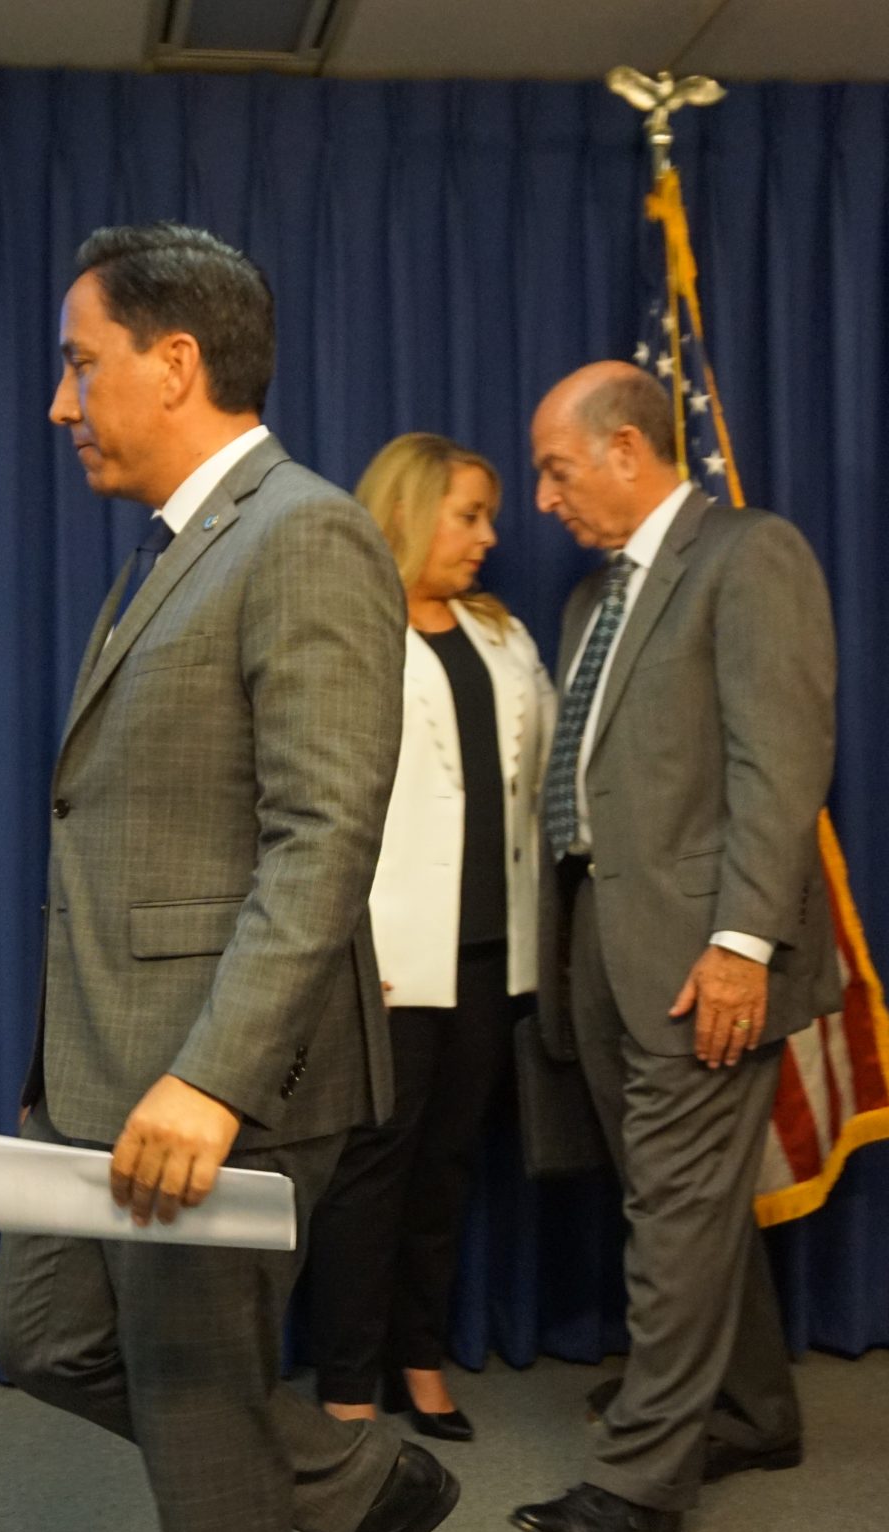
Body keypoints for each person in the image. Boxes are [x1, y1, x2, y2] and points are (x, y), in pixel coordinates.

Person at [0, 222, 457, 1532]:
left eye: (81, 365)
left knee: (199, 1423)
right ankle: (363, 1478)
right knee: (42, 1334)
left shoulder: (304, 532)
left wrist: (211, 1076)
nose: (60, 403)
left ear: (175, 362)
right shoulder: (180, 542)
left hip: (218, 1076)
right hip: (105, 1063)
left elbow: (324, 836)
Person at [508, 360, 837, 1532]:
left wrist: (743, 943)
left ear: (626, 450)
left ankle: (639, 1484)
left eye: (555, 470)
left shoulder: (750, 556)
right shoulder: (590, 601)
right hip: (600, 935)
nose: (543, 499)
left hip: (706, 950)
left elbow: (780, 762)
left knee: (673, 1206)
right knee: (679, 1197)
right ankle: (750, 1410)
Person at [304, 433, 555, 1442]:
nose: (489, 537)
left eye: (490, 516)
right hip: (386, 961)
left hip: (492, 956)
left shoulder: (503, 634)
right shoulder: (346, 626)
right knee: (369, 1176)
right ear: (407, 514)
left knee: (447, 1167)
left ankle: (421, 1358)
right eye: (470, 515)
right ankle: (345, 1383)